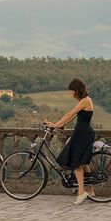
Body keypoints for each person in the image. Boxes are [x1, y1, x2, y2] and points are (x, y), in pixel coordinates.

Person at [46, 77, 95, 205]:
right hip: (84, 132)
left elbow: (70, 114)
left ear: (76, 90)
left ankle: (81, 193)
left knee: (76, 162)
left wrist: (55, 124)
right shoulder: (86, 100)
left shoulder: (84, 101)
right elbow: (72, 117)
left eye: (72, 90)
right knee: (83, 162)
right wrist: (58, 125)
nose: (70, 93)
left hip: (82, 134)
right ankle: (90, 190)